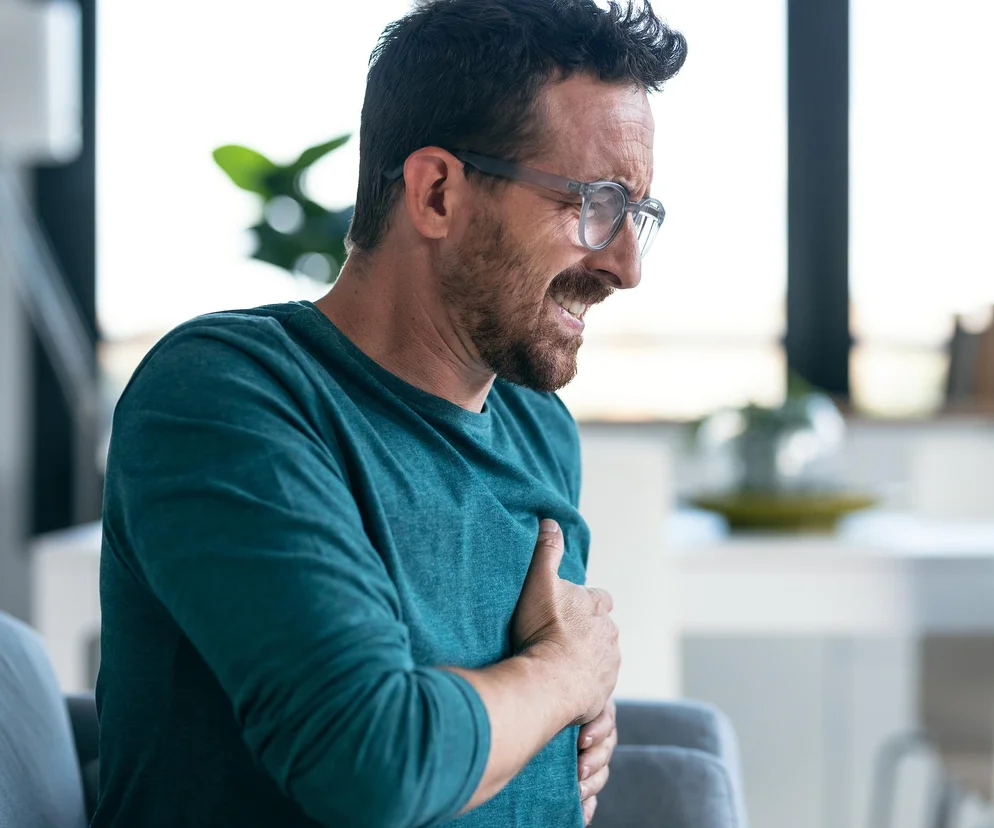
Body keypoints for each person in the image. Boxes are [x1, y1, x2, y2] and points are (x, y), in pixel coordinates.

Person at [91, 1, 687, 826]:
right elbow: (374, 765)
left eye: (636, 216)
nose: (625, 266)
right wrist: (566, 676)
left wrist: (561, 716)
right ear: (436, 192)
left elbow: (519, 726)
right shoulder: (225, 398)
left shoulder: (538, 425)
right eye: (595, 202)